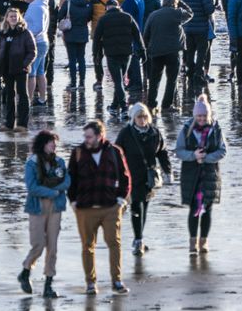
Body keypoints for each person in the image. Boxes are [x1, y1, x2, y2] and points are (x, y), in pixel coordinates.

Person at [68, 120, 131, 296]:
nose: (86, 139)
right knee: (87, 246)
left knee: (114, 243)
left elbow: (125, 177)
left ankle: (117, 281)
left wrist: (121, 200)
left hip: (110, 207)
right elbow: (71, 178)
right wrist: (73, 201)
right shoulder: (78, 152)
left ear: (99, 136)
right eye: (85, 136)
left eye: (89, 136)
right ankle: (90, 283)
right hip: (85, 208)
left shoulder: (114, 151)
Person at [18, 129, 70, 299]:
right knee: (38, 244)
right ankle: (26, 270)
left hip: (55, 207)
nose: (54, 145)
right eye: (50, 142)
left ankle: (48, 283)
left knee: (53, 246)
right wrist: (52, 192)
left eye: (55, 142)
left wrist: (53, 191)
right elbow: (32, 188)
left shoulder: (60, 162)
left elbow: (67, 181)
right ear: (43, 144)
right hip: (37, 207)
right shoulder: (31, 163)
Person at [115, 103, 172, 256]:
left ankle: (138, 237)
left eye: (145, 116)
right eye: (139, 117)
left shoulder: (154, 132)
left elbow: (162, 152)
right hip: (131, 176)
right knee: (136, 206)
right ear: (133, 118)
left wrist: (168, 171)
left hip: (149, 176)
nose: (142, 120)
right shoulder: (126, 133)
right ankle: (138, 240)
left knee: (144, 207)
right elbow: (116, 153)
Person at [176, 95, 227, 255]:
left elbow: (223, 150)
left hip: (210, 175)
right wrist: (194, 155)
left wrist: (206, 158)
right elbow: (179, 151)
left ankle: (204, 241)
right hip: (191, 175)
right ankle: (193, 242)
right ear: (194, 115)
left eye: (204, 116)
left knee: (207, 209)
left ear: (209, 115)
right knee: (193, 209)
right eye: (199, 116)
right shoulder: (186, 129)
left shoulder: (216, 129)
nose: (202, 119)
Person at [93, 0, 143, 116]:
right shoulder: (128, 17)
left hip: (111, 54)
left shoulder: (103, 20)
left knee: (118, 81)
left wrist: (96, 55)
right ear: (118, 6)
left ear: (107, 8)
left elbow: (96, 39)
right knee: (119, 80)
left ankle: (125, 108)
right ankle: (114, 107)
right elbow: (137, 34)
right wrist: (142, 50)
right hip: (127, 54)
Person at [0, 7, 36, 131]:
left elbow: (32, 52)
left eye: (15, 16)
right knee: (8, 95)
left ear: (19, 18)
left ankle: (22, 124)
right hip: (6, 68)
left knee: (22, 94)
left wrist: (24, 64)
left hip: (20, 69)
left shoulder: (25, 33)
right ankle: (9, 123)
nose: (13, 18)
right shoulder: (2, 33)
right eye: (10, 16)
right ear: (6, 18)